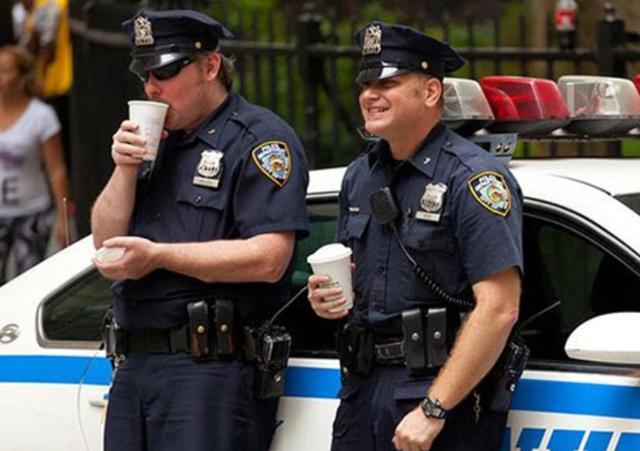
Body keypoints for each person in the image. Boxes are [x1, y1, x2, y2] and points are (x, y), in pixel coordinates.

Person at [91, 9, 309, 451]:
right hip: (134, 362)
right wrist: (124, 169)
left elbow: (269, 259)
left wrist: (158, 256)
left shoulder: (258, 139)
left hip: (210, 368)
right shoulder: (153, 142)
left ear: (210, 66)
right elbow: (104, 241)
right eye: (145, 75)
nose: (152, 87)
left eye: (166, 71)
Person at [307, 21, 523, 451]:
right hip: (361, 391)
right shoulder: (360, 175)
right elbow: (362, 283)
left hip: (438, 394)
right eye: (366, 84)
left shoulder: (473, 178)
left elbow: (499, 307)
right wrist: (325, 299)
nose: (370, 95)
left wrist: (433, 409)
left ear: (430, 92)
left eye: (387, 83)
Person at [0, 45, 71, 284]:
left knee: (27, 282)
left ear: (22, 78)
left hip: (32, 212)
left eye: (5, 70)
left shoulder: (42, 116)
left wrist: (62, 219)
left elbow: (56, 169)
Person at [17, 0, 73, 174]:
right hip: (56, 85)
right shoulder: (41, 7)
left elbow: (46, 50)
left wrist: (38, 80)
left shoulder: (50, 5)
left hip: (56, 85)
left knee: (59, 153)